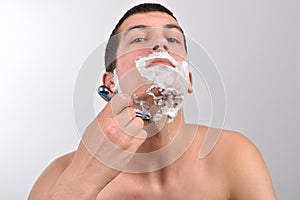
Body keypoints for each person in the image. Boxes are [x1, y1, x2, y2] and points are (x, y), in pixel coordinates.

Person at [28, 3, 277, 199]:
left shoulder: (234, 156)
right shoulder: (61, 176)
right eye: (138, 39)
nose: (160, 45)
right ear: (111, 80)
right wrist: (82, 184)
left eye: (173, 40)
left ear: (188, 80)